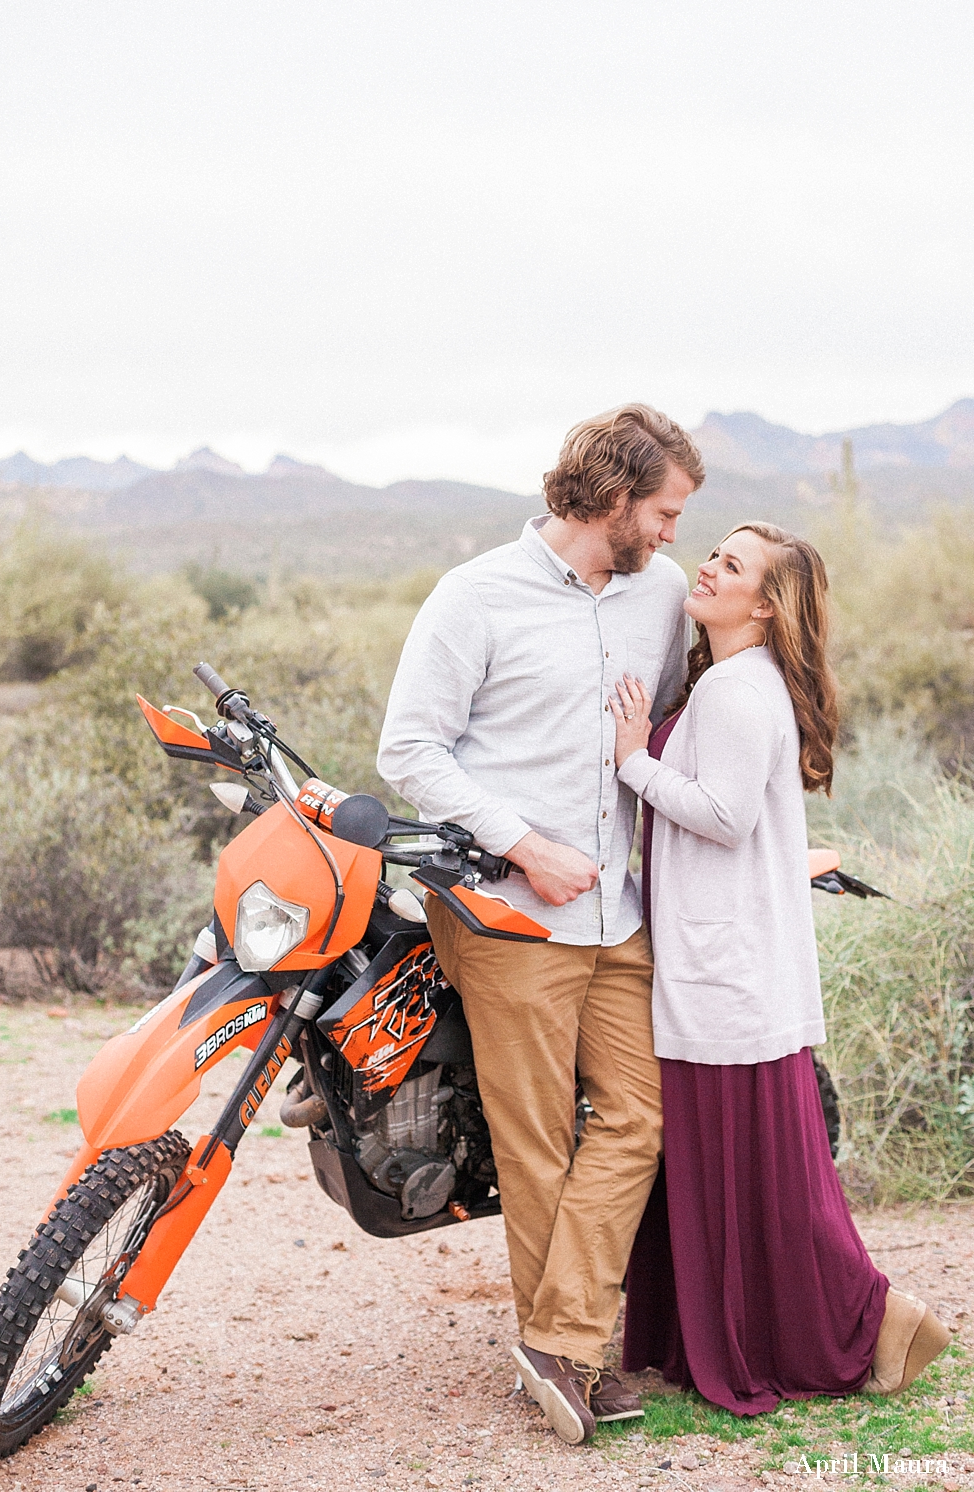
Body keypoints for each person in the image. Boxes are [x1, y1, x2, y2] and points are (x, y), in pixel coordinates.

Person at [377, 404, 704, 1444]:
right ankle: (570, 1356)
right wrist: (524, 842)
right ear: (611, 498)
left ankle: (556, 1339)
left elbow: (665, 723)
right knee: (532, 1146)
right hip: (509, 913)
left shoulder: (658, 595)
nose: (668, 532)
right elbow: (410, 750)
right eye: (660, 510)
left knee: (641, 1116)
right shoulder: (473, 595)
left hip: (619, 910)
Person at [610, 522, 950, 1414]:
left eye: (732, 565)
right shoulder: (734, 681)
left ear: (764, 604)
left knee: (755, 1176)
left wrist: (631, 761)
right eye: (713, 553)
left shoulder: (733, 691)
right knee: (755, 1173)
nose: (709, 567)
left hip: (724, 966)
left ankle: (867, 1315)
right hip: (729, 957)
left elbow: (719, 816)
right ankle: (810, 1321)